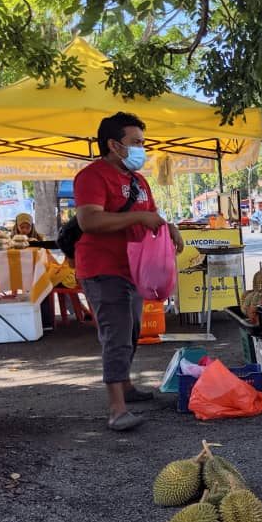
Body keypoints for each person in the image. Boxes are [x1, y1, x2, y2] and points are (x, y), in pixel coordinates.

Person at [74, 111, 183, 431]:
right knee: (117, 336)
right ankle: (116, 409)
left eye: (142, 143)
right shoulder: (92, 177)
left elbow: (150, 214)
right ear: (113, 144)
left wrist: (168, 226)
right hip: (102, 268)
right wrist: (137, 220)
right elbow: (89, 220)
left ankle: (127, 388)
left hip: (133, 270)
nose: (141, 149)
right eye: (135, 143)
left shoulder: (137, 181)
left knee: (132, 331)